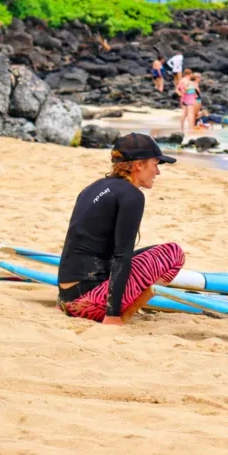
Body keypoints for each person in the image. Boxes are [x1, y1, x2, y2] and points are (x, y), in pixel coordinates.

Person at [56, 134, 185, 324]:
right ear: (139, 165)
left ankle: (108, 307)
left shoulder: (94, 187)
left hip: (66, 297)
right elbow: (121, 256)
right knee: (173, 253)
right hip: (87, 303)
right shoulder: (132, 195)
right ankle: (123, 315)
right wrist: (112, 315)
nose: (157, 172)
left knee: (149, 252)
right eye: (155, 164)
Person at [175, 70, 199, 135]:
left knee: (184, 114)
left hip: (184, 98)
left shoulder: (182, 80)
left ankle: (182, 128)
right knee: (190, 114)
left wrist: (181, 94)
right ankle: (191, 129)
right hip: (189, 98)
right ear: (189, 74)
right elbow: (189, 89)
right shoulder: (188, 81)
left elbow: (177, 89)